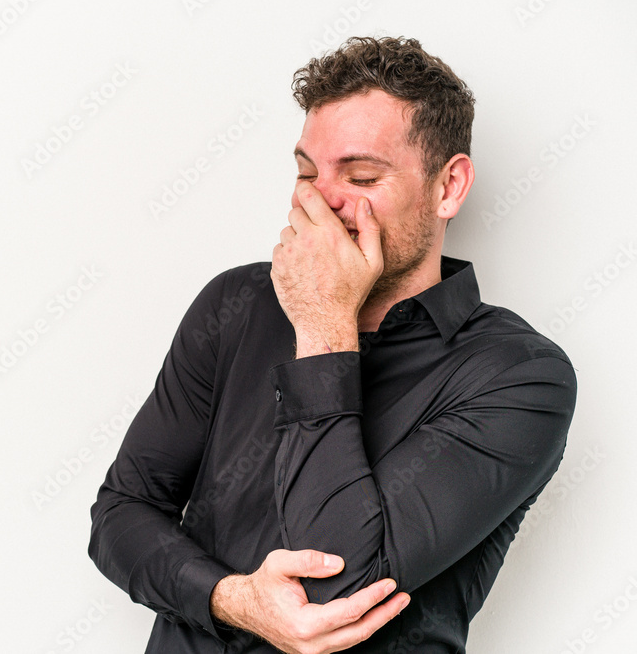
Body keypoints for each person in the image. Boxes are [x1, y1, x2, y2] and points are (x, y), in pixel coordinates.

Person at [88, 36, 578, 653]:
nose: (320, 200)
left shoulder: (520, 375)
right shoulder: (234, 306)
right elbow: (121, 513)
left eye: (362, 175)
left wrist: (323, 325)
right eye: (305, 173)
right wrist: (228, 598)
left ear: (448, 186)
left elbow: (338, 587)